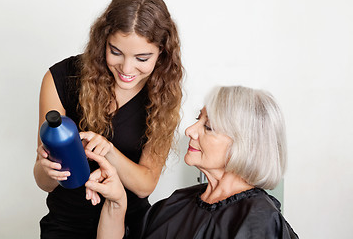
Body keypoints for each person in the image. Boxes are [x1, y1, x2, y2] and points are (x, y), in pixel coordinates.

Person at [33, 0, 183, 238]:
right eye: (116, 52)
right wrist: (46, 168)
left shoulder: (163, 93)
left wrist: (108, 151)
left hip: (129, 224)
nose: (127, 68)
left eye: (142, 58)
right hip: (65, 225)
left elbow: (145, 185)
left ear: (162, 51)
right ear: (103, 40)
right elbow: (44, 182)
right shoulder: (59, 79)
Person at [85, 86, 299, 239]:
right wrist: (116, 201)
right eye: (199, 119)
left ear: (244, 144)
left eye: (208, 126)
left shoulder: (259, 220)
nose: (190, 131)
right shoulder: (179, 202)